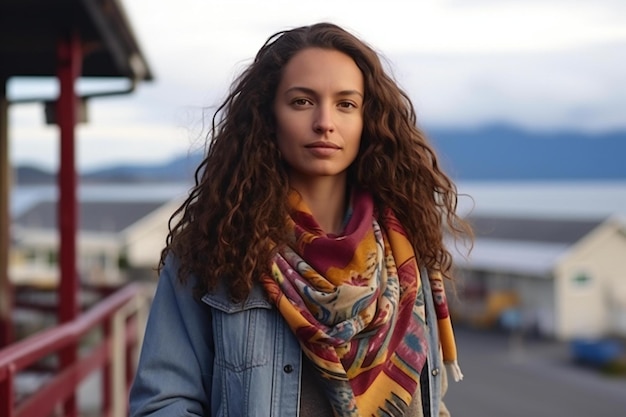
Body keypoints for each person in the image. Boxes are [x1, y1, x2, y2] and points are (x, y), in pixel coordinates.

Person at [129, 22, 472, 417]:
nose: (325, 121)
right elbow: (163, 404)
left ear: (367, 120)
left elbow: (428, 398)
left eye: (346, 104)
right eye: (302, 102)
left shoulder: (409, 253)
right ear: (267, 116)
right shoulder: (212, 250)